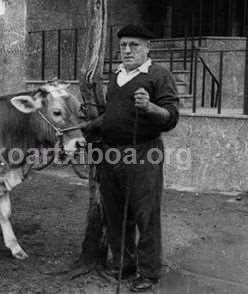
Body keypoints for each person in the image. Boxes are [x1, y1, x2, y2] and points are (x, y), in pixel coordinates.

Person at [99, 25, 179, 292]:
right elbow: (111, 115)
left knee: (145, 213)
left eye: (134, 45)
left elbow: (171, 117)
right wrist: (89, 128)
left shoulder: (158, 74)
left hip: (145, 152)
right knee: (115, 213)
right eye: (123, 45)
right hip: (111, 154)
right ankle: (125, 265)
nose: (127, 50)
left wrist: (150, 107)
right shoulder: (116, 76)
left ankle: (148, 272)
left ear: (147, 48)